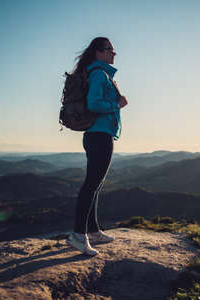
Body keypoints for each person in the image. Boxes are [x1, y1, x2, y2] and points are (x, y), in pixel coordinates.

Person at [66, 37, 128, 256]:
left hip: (98, 134)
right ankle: (77, 235)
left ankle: (92, 230)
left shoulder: (100, 74)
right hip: (99, 135)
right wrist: (116, 104)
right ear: (99, 53)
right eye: (110, 49)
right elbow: (94, 103)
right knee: (91, 185)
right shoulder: (100, 74)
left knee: (96, 184)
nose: (114, 53)